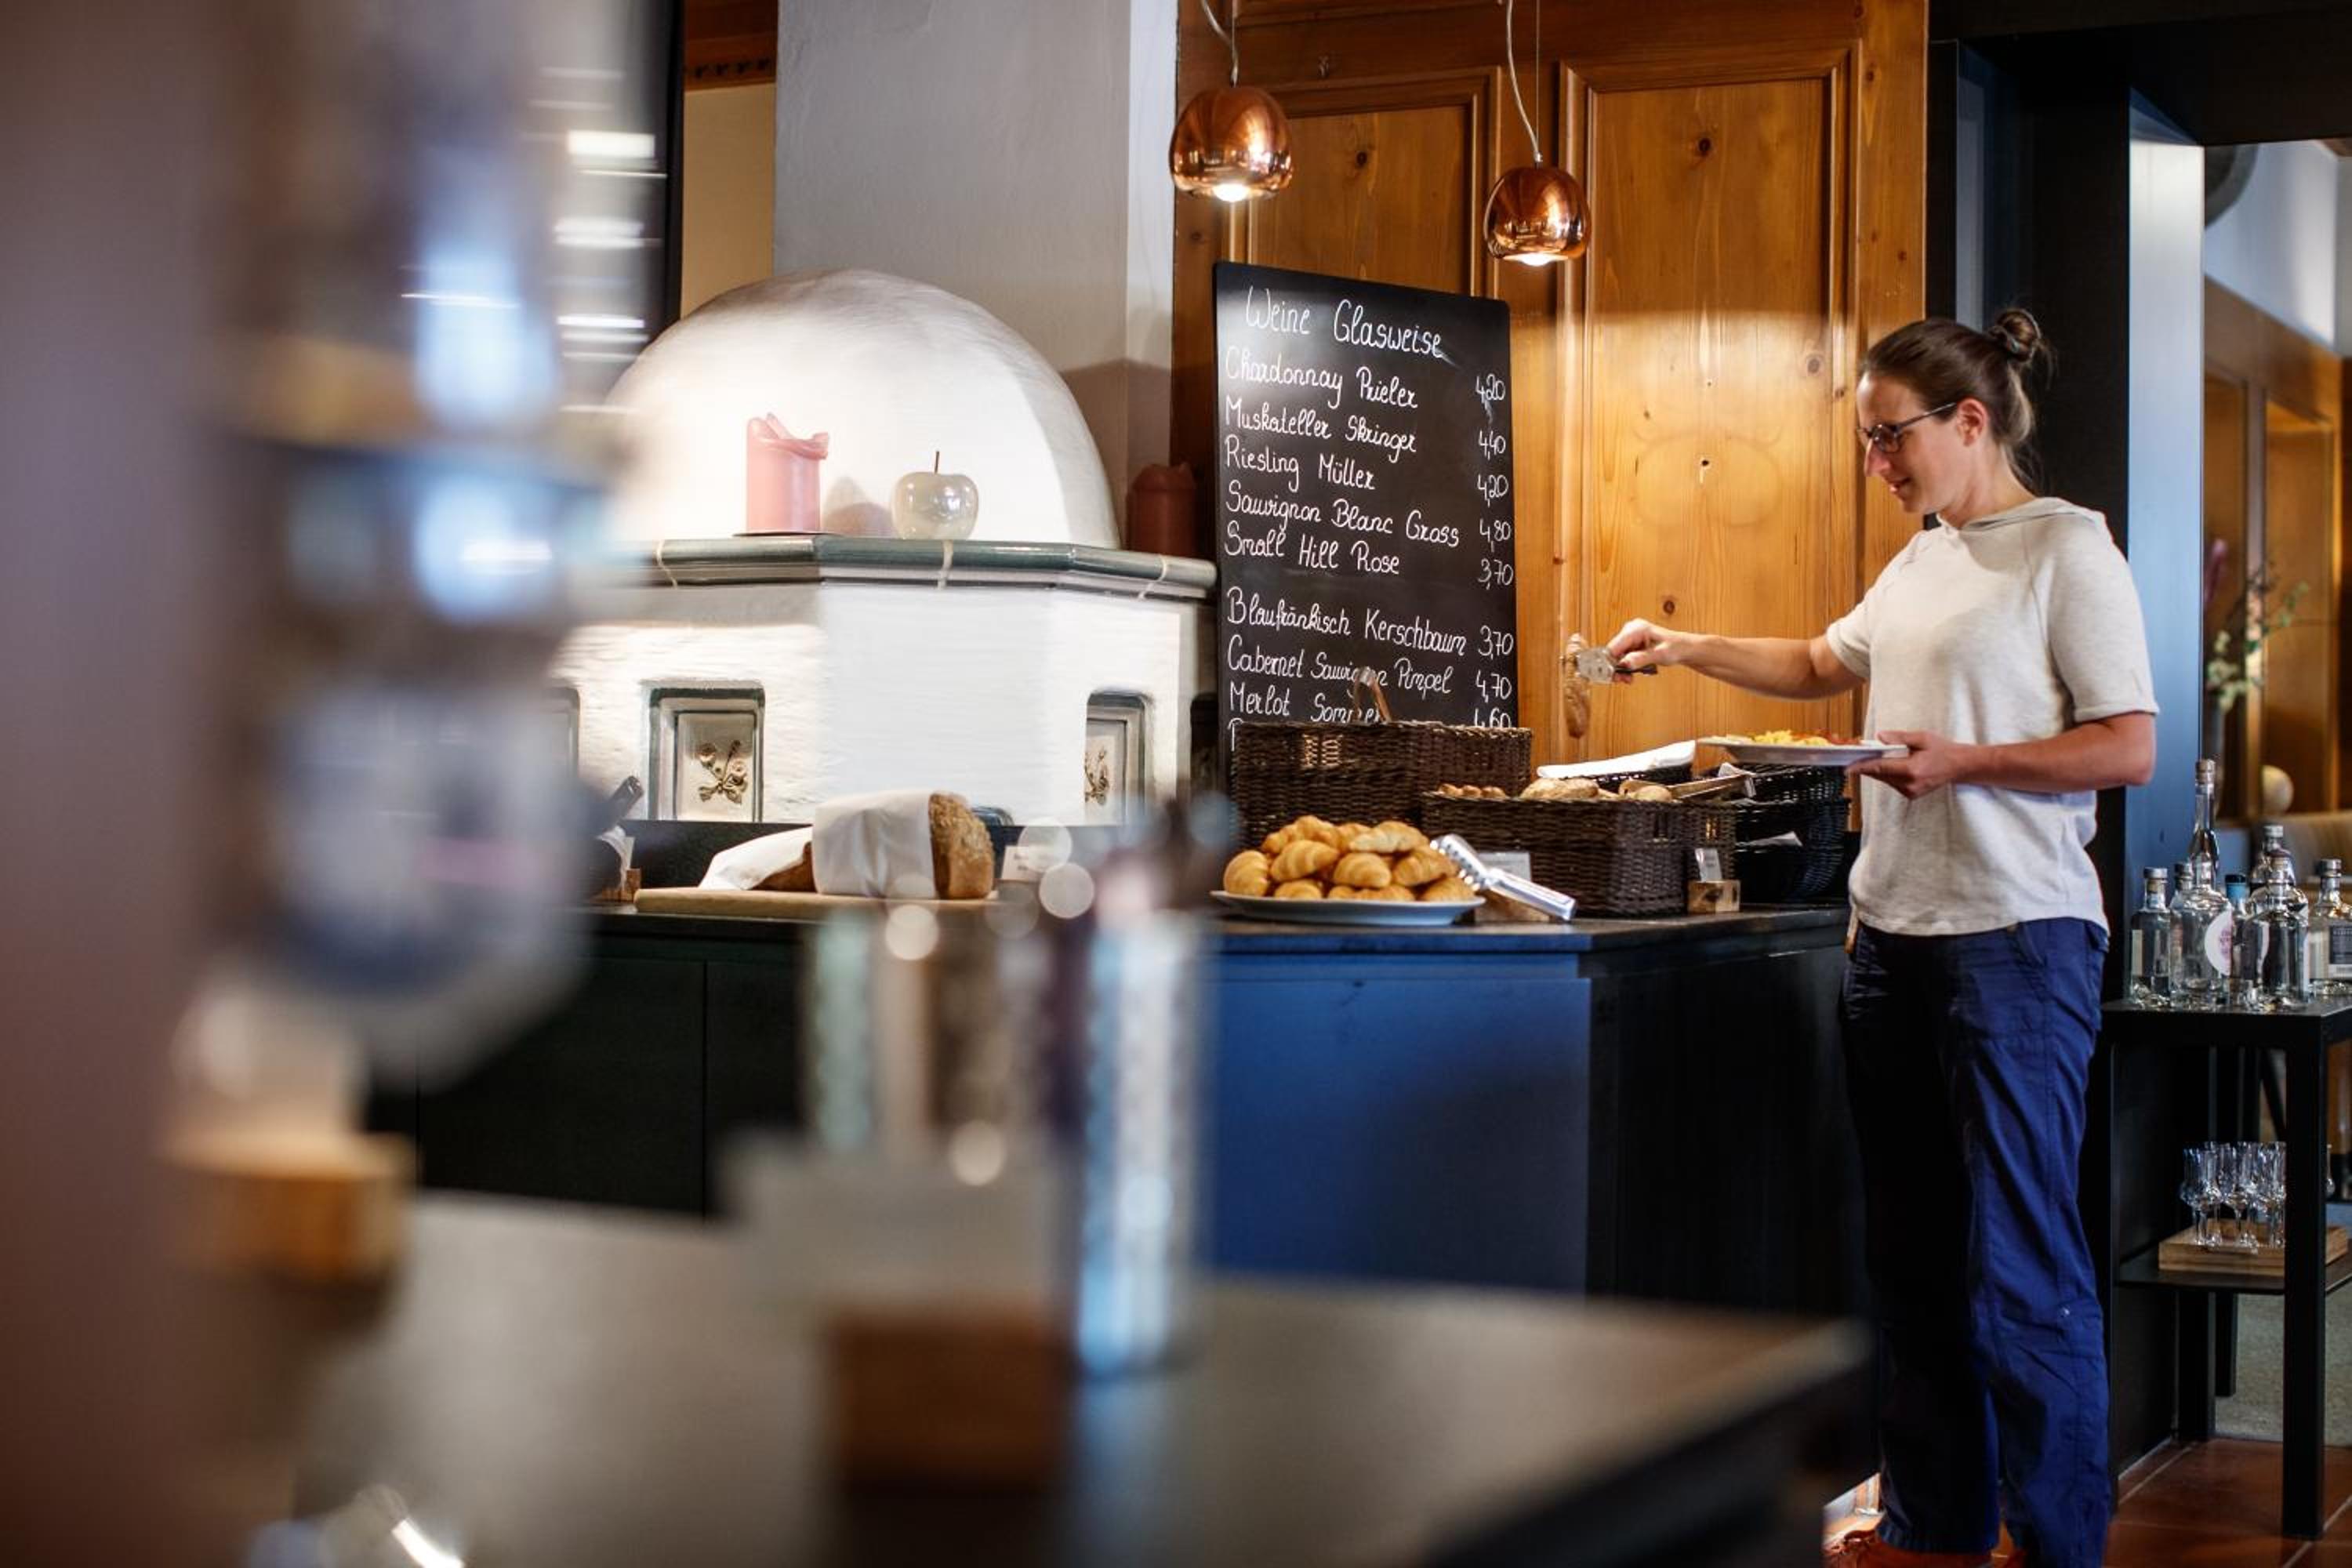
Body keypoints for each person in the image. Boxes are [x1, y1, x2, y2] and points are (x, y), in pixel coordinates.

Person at [1606, 309, 2155, 1568]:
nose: (1876, 463)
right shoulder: (1920, 561)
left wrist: (1964, 762)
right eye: (1865, 441)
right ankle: (1932, 1529)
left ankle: (2058, 1544)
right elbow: (1818, 661)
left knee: (2020, 1264)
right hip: (1890, 943)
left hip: (2018, 945)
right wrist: (1680, 644)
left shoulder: (2066, 549)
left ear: (1970, 421)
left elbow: (2127, 745)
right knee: (1911, 1261)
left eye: (1889, 437)